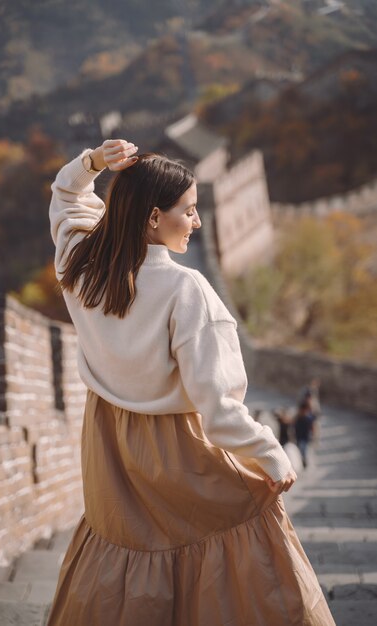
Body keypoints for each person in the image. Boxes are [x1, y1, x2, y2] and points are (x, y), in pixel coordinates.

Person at [45, 139, 336, 626]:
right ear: (154, 218)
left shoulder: (79, 267)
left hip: (108, 445)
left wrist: (94, 161)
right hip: (177, 448)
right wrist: (270, 454)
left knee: (126, 552)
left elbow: (66, 197)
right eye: (190, 211)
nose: (198, 223)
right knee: (248, 534)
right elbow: (218, 409)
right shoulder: (187, 290)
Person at [294, 398, 318, 469]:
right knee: (300, 450)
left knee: (303, 450)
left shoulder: (308, 418)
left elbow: (312, 427)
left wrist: (314, 436)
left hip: (305, 438)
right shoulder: (298, 417)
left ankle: (304, 462)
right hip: (298, 437)